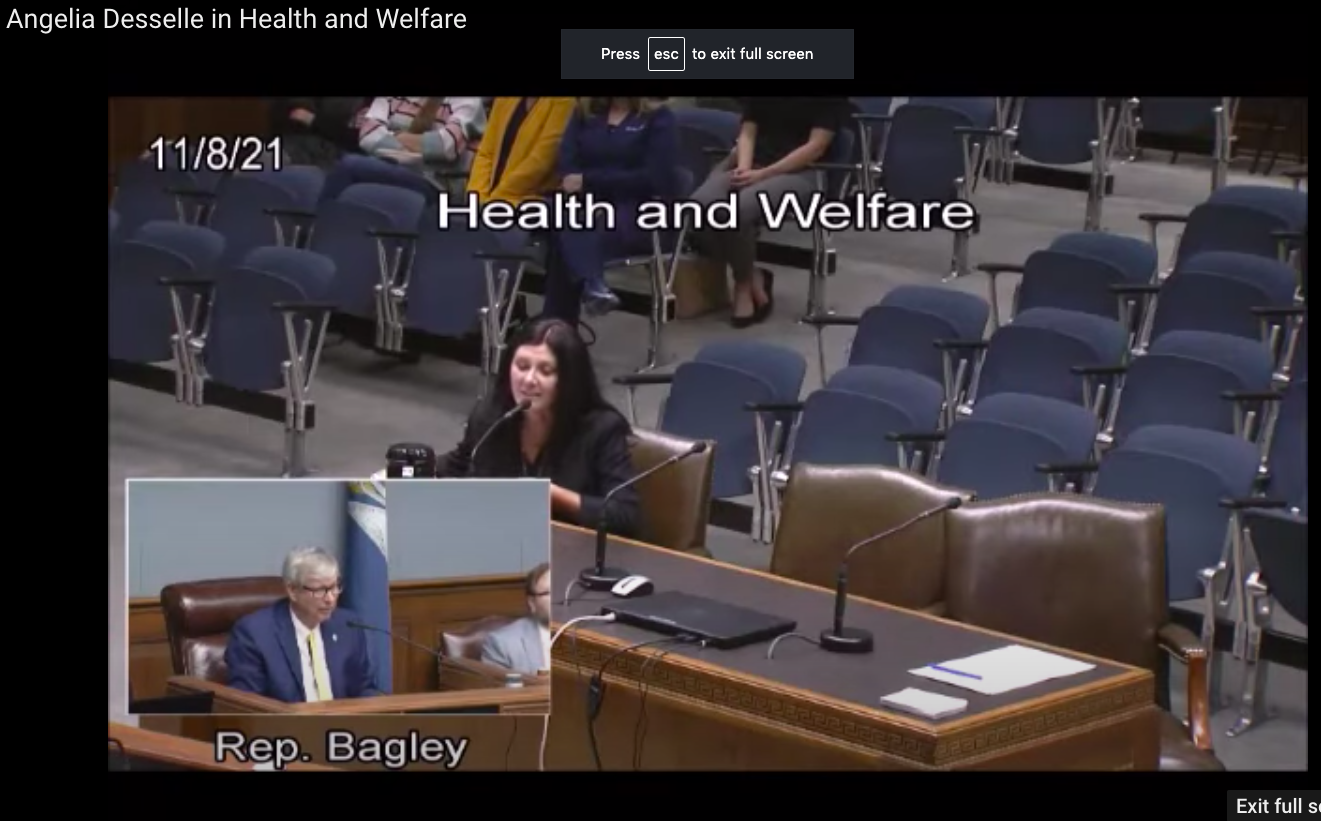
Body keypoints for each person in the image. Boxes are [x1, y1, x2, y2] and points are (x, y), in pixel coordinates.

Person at [433, 317, 641, 537]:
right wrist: (407, 466)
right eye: (522, 366)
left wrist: (553, 496)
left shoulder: (601, 429)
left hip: (569, 553)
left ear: (569, 379)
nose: (529, 380)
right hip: (497, 543)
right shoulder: (492, 416)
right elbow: (458, 465)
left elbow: (625, 515)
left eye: (545, 370)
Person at [687, 97, 850, 328]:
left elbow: (815, 148)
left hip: (803, 173)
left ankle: (742, 286)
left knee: (737, 210)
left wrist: (764, 175)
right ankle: (753, 275)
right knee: (699, 207)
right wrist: (744, 168)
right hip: (754, 166)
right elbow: (747, 134)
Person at [546, 97, 679, 321]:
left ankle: (556, 328)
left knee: (566, 234)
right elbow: (567, 163)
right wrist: (583, 187)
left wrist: (589, 180)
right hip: (584, 206)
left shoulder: (658, 118)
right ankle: (591, 285)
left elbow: (655, 179)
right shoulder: (585, 113)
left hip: (637, 212)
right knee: (553, 216)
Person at [224, 546, 384, 703]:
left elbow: (364, 688)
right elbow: (249, 704)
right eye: (319, 590)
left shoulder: (348, 626)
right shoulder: (254, 634)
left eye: (334, 587)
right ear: (292, 590)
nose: (330, 599)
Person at [319, 97, 486, 201]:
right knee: (345, 168)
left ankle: (315, 230)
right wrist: (413, 147)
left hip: (435, 182)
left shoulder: (467, 101)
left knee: (349, 165)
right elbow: (367, 133)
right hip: (389, 167)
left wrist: (394, 136)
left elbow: (445, 146)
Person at [467, 97, 577, 207]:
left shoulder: (564, 102)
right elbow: (486, 152)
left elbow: (540, 163)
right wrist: (477, 196)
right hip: (489, 202)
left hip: (528, 203)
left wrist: (495, 200)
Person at [481, 562, 551, 674]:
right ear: (532, 602)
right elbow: (500, 690)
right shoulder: (502, 644)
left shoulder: (581, 634)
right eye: (549, 592)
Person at [267, 97, 367, 168]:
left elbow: (356, 135)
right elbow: (295, 113)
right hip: (295, 141)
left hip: (338, 151)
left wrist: (313, 120)